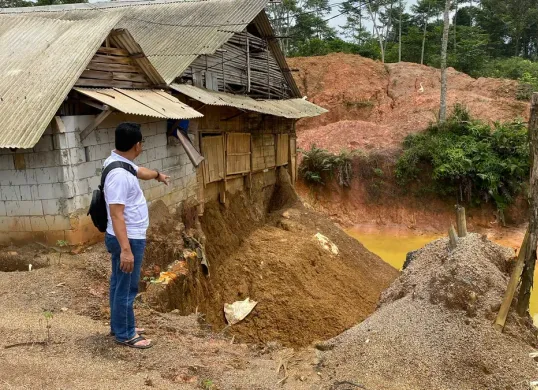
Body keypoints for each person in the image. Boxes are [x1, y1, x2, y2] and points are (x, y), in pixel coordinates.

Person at [104, 122, 170, 349]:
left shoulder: (120, 162)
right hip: (128, 239)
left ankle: (120, 323)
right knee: (127, 287)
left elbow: (140, 171)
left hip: (127, 236)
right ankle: (125, 334)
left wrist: (158, 175)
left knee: (118, 283)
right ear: (137, 145)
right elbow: (116, 214)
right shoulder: (120, 176)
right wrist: (126, 250)